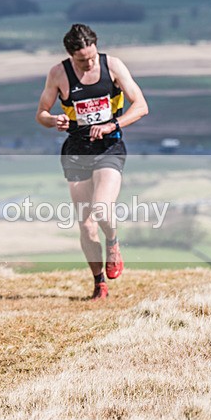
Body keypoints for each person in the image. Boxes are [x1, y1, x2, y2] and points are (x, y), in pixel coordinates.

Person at [36, 23, 148, 300]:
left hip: (109, 146)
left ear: (96, 48)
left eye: (91, 57)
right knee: (85, 224)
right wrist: (53, 120)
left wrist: (113, 124)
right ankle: (99, 282)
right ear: (70, 55)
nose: (87, 64)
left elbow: (141, 106)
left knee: (101, 208)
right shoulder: (58, 73)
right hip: (76, 149)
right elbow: (41, 112)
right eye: (81, 60)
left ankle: (112, 241)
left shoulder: (113, 66)